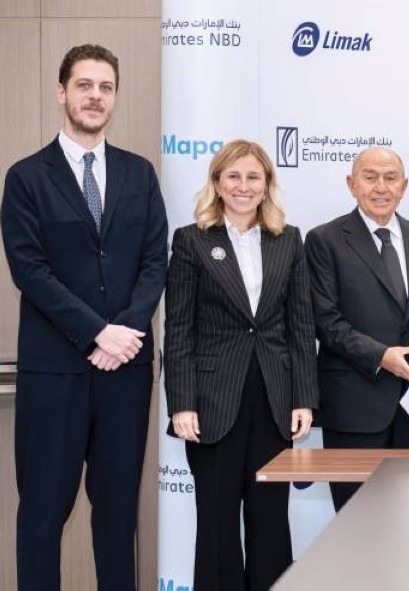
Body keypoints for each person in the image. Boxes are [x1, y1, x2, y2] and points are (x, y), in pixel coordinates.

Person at [1, 44, 168, 590]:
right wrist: (98, 332)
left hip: (126, 374)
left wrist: (126, 333)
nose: (96, 96)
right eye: (84, 85)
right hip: (55, 375)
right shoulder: (26, 177)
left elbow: (155, 262)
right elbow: (30, 271)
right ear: (62, 92)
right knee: (42, 519)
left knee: (118, 520)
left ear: (115, 97)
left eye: (106, 87)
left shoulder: (140, 174)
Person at [163, 140, 317, 590]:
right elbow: (179, 329)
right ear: (217, 183)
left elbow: (300, 325)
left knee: (271, 521)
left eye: (253, 177)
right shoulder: (191, 240)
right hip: (212, 402)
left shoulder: (288, 239)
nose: (243, 186)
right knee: (217, 522)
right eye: (233, 176)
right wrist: (182, 403)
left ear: (267, 184)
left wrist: (304, 398)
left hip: (274, 400)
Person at [306, 147, 409, 510]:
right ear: (351, 184)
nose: (381, 187)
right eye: (370, 177)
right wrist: (381, 356)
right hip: (354, 408)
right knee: (355, 521)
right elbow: (326, 320)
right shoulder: (324, 240)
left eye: (391, 178)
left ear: (404, 186)